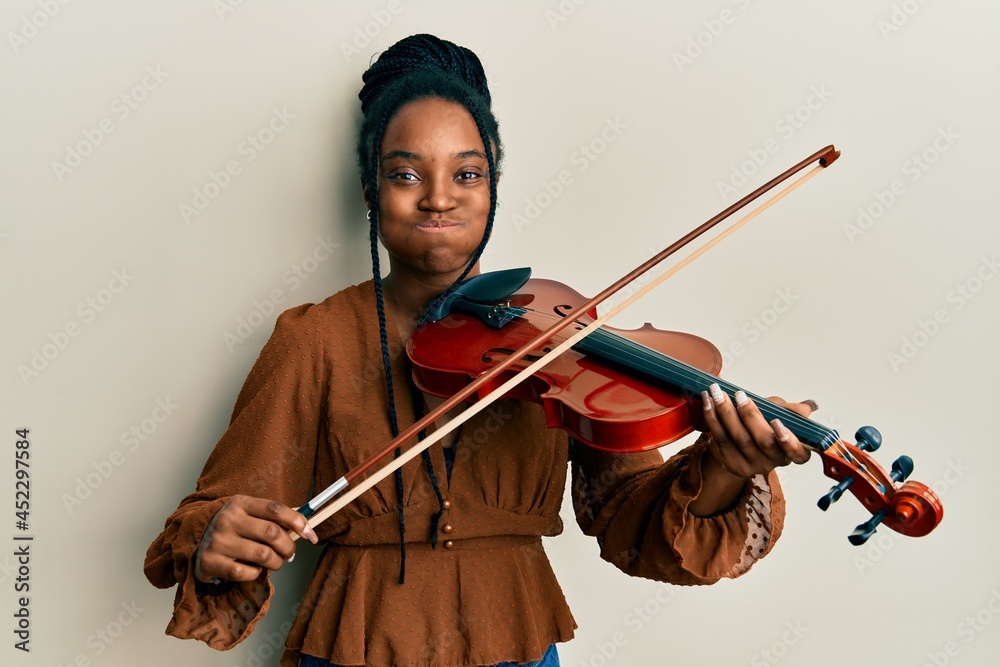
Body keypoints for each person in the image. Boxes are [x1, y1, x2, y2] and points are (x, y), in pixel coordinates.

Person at [144, 34, 815, 667]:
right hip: (362, 638)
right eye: (406, 173)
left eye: (467, 173)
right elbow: (222, 506)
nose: (439, 196)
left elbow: (631, 517)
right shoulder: (314, 338)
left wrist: (726, 467)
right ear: (369, 190)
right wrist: (214, 540)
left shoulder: (560, 335)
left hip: (513, 635)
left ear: (494, 183)